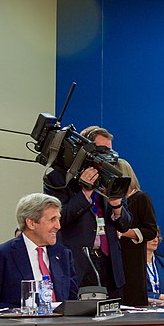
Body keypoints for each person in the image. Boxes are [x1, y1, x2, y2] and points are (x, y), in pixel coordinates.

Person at [43, 125, 132, 298]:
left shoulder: (110, 177)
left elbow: (125, 224)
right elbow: (59, 220)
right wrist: (85, 192)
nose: (108, 156)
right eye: (102, 150)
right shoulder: (58, 179)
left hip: (109, 264)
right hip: (78, 263)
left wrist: (117, 206)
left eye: (110, 151)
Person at [0, 193, 77, 309]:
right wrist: (23, 311)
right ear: (31, 223)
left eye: (58, 219)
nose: (58, 226)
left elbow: (71, 302)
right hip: (20, 325)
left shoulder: (63, 254)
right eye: (52, 219)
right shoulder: (0, 256)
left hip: (62, 325)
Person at [116, 160, 157, 306]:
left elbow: (151, 230)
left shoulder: (141, 198)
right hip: (114, 257)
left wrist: (123, 232)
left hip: (132, 259)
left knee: (132, 299)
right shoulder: (108, 199)